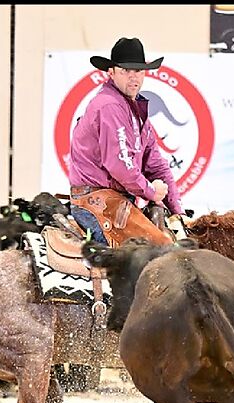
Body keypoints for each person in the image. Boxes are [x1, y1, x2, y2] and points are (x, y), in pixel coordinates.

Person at [67, 36, 185, 247]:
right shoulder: (110, 106)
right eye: (125, 71)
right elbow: (120, 165)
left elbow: (156, 164)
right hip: (97, 203)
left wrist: (177, 211)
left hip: (114, 201)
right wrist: (151, 191)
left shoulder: (135, 112)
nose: (133, 77)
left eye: (138, 71)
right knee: (160, 249)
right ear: (111, 72)